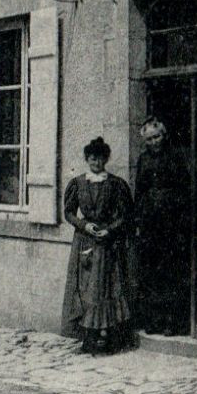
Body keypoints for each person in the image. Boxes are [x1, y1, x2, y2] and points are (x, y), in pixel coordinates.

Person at [61, 138, 135, 355]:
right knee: (85, 289)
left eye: (101, 158)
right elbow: (68, 212)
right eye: (92, 158)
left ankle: (109, 335)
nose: (96, 162)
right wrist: (84, 225)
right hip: (84, 241)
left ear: (106, 159)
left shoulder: (115, 184)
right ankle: (88, 336)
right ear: (87, 159)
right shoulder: (77, 183)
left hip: (107, 244)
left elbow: (126, 214)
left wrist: (110, 230)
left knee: (106, 288)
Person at [132, 118, 192, 337]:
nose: (154, 142)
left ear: (164, 136)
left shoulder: (176, 157)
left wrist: (178, 216)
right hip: (150, 223)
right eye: (149, 139)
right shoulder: (143, 160)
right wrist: (138, 219)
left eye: (157, 137)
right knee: (151, 272)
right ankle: (154, 320)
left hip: (171, 222)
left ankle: (173, 322)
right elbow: (139, 190)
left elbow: (185, 188)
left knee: (172, 272)